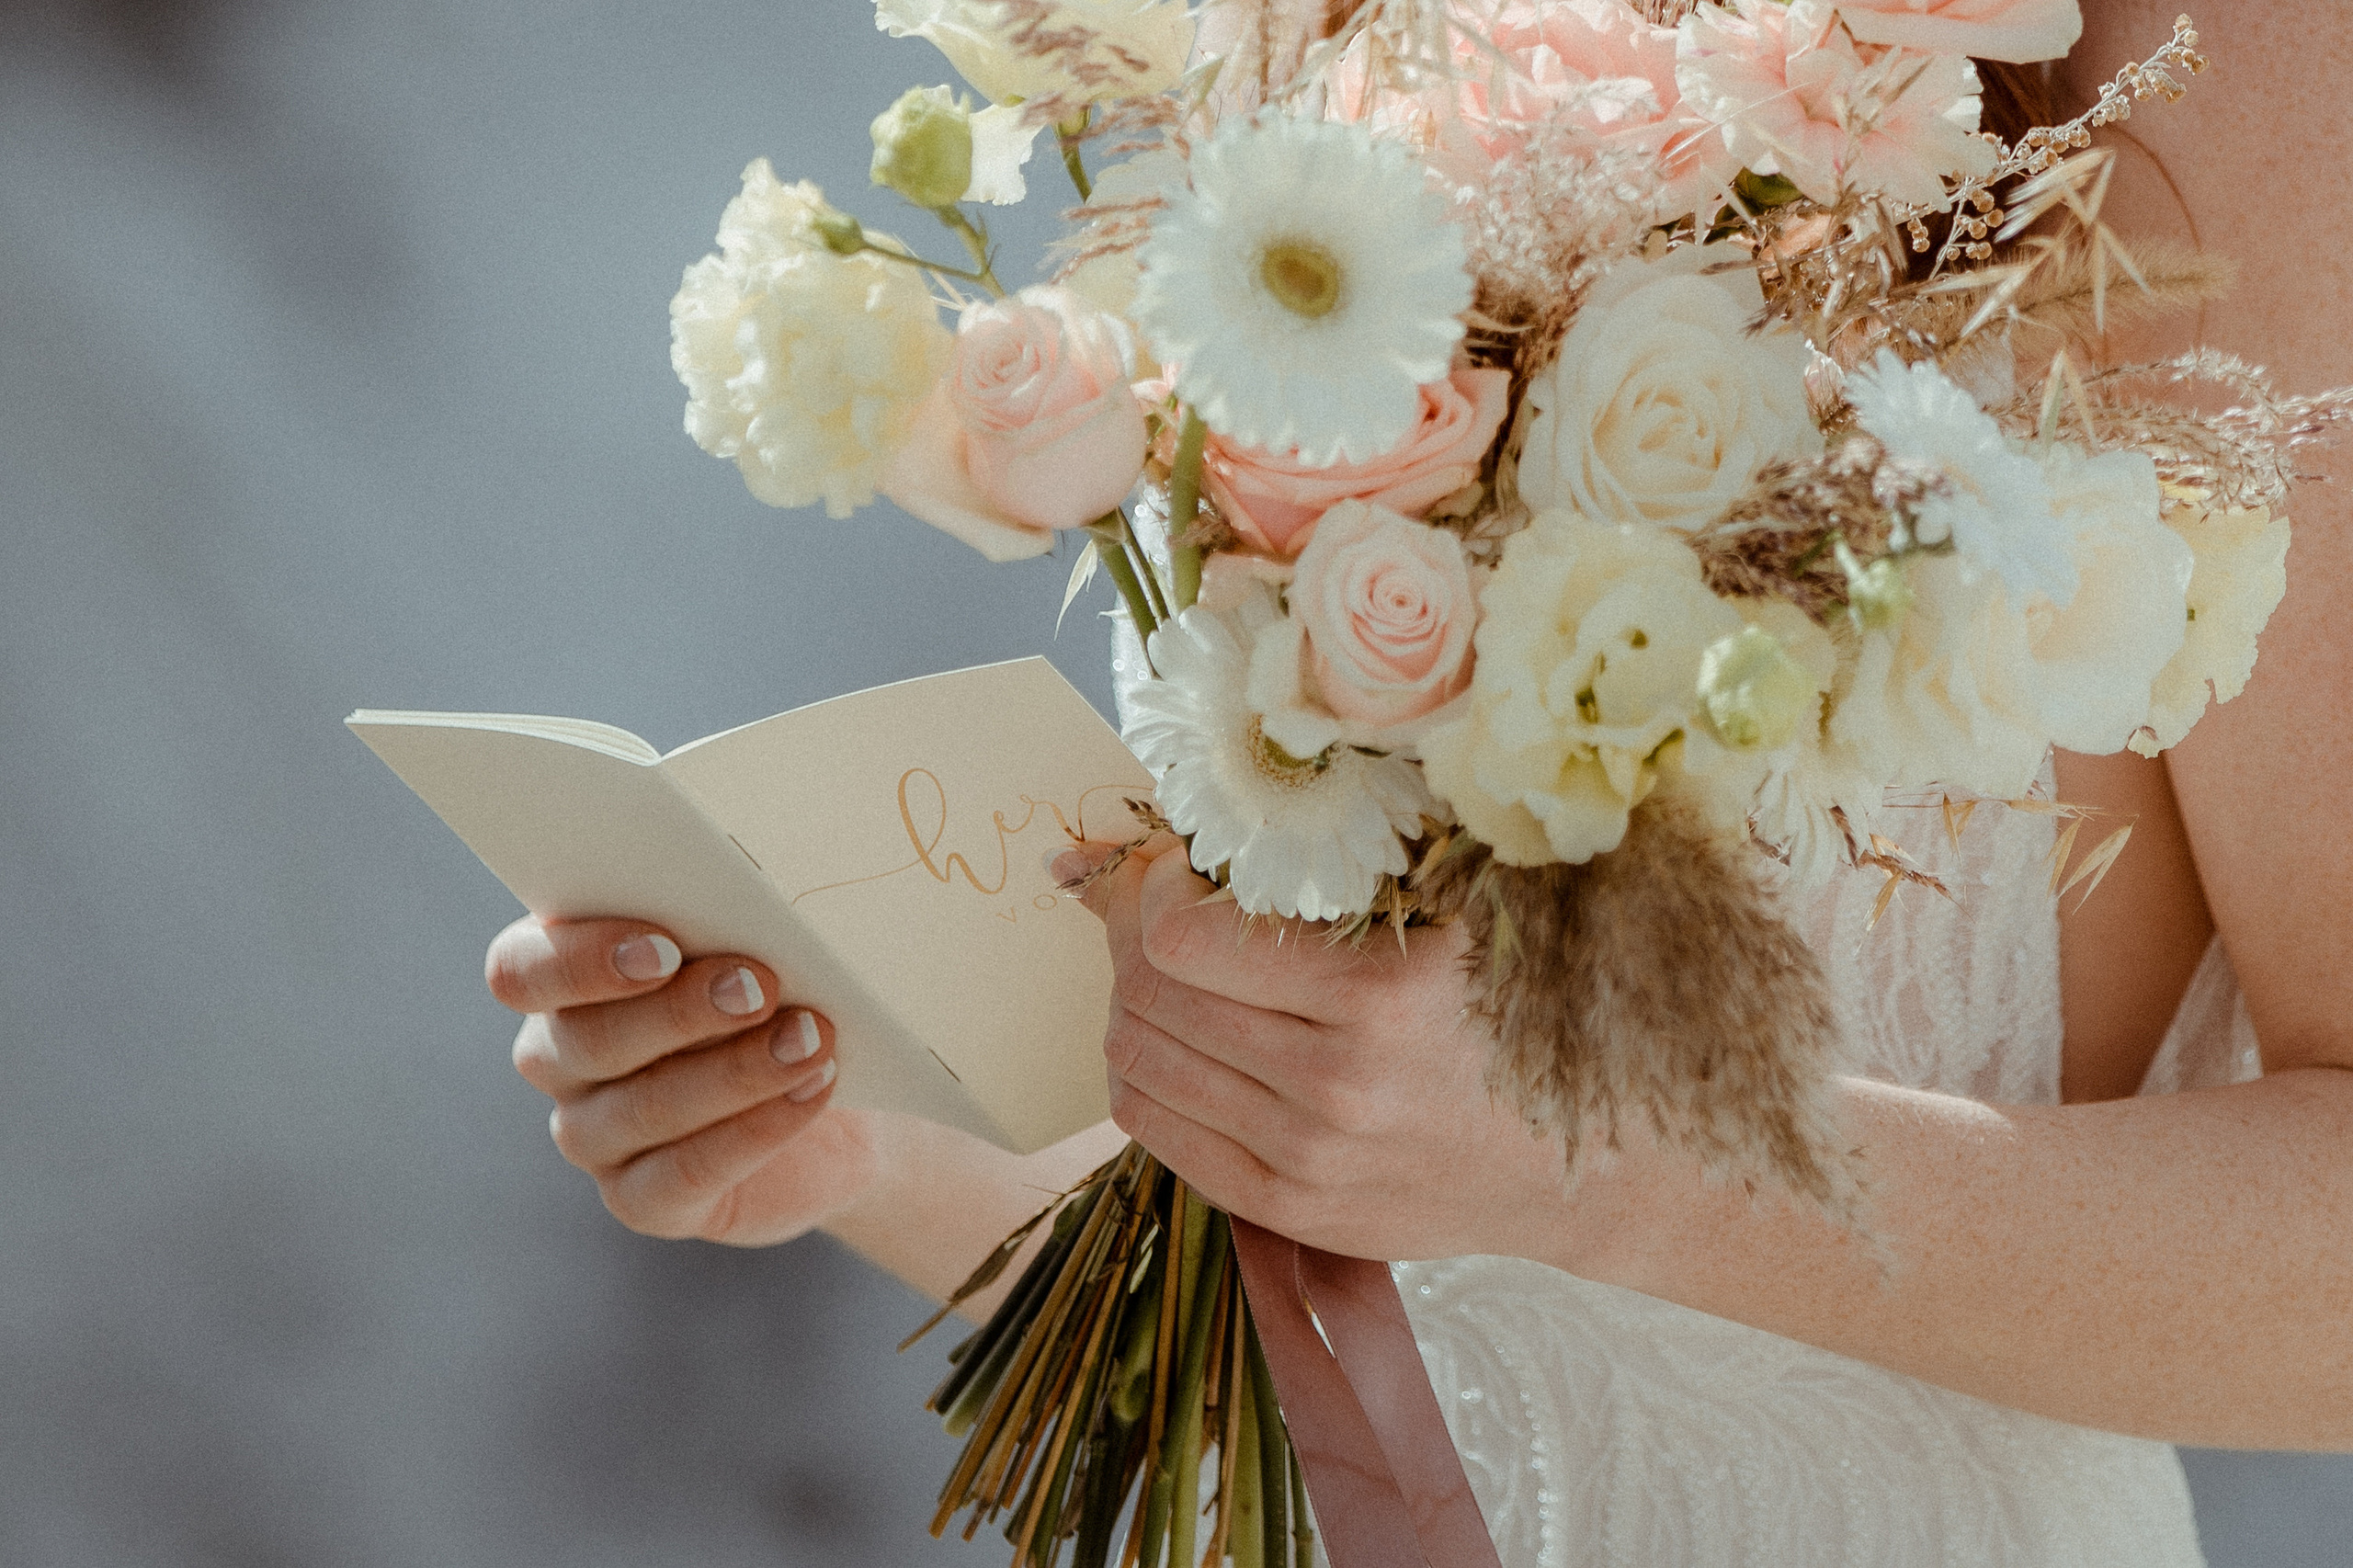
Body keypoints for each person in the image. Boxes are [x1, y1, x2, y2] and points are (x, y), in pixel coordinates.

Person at [485, 1, 2353, 1559]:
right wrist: (849, 1137)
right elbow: (1404, 1280)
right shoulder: (1298, 43)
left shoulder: (2221, 70)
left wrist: (1605, 1162)